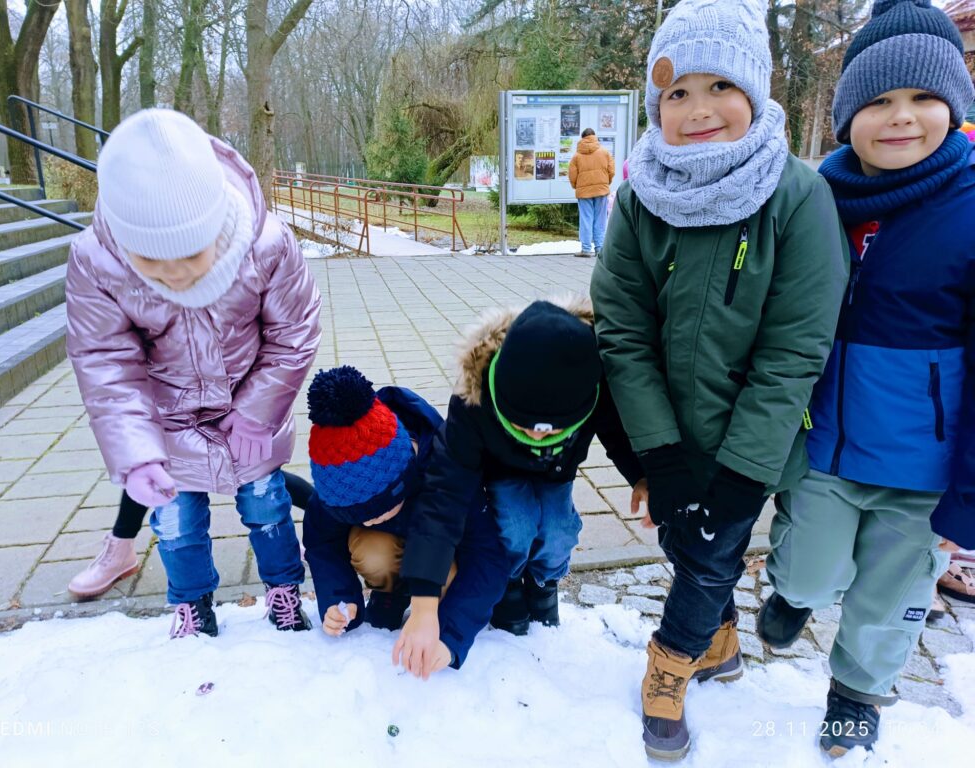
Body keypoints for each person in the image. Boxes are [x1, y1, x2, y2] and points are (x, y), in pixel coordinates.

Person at [589, 0, 849, 760]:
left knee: (710, 546)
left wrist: (742, 473)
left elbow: (795, 350)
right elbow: (625, 330)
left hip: (754, 434)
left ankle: (668, 664)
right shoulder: (639, 196)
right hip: (664, 422)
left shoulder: (798, 197)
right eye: (676, 93)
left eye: (719, 88)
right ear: (655, 105)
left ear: (756, 92)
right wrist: (660, 456)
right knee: (688, 540)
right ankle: (721, 642)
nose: (698, 110)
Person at [758, 0, 975, 756]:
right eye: (878, 100)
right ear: (848, 113)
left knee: (891, 598)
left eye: (923, 99)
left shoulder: (969, 209)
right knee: (813, 573)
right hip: (824, 451)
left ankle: (855, 695)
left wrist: (969, 498)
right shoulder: (818, 199)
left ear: (955, 106)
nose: (901, 118)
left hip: (923, 470)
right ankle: (791, 593)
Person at [66, 108, 322, 637]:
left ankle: (283, 590)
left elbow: (294, 331)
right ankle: (191, 605)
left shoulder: (267, 243)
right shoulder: (97, 262)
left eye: (191, 258)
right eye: (153, 264)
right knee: (176, 523)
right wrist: (135, 453)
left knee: (267, 505)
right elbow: (105, 361)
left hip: (248, 408)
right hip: (168, 420)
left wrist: (257, 412)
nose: (176, 278)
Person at [395, 296, 645, 678]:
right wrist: (426, 606)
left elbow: (616, 430)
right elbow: (442, 497)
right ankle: (509, 585)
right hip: (501, 472)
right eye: (524, 424)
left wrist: (640, 474)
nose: (535, 435)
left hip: (557, 474)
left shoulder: (594, 383)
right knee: (515, 524)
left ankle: (543, 583)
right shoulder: (473, 400)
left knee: (560, 529)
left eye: (553, 429)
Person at [302, 366, 511, 674]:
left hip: (443, 555)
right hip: (391, 550)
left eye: (377, 511)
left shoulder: (445, 473)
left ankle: (434, 609)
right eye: (359, 517)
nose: (369, 521)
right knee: (371, 549)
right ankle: (390, 595)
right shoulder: (340, 478)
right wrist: (339, 599)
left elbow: (488, 558)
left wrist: (451, 637)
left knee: (451, 575)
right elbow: (322, 541)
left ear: (404, 479)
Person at [67, 472, 315, 599]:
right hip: (169, 400)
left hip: (231, 396)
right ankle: (120, 551)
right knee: (148, 468)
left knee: (258, 477)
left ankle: (326, 531)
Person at [568, 128, 615, 257]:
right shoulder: (605, 153)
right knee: (600, 219)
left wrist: (576, 186)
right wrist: (606, 182)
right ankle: (599, 248)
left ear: (582, 138)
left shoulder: (577, 156)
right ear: (594, 136)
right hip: (601, 191)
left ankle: (586, 249)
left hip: (584, 192)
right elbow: (612, 171)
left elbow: (572, 175)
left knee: (586, 219)